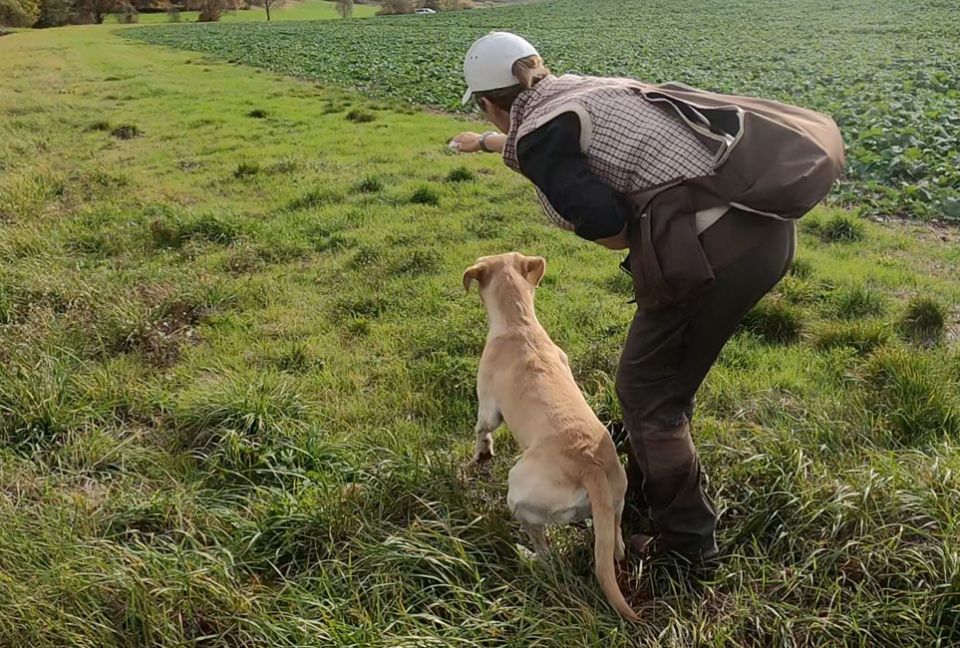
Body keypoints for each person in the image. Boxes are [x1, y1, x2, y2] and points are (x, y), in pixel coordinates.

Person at [450, 32, 844, 562]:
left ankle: (685, 551)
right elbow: (556, 143)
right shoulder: (573, 90)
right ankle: (637, 486)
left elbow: (609, 225)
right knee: (659, 385)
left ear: (490, 104)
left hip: (713, 253)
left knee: (648, 396)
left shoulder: (544, 137)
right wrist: (485, 143)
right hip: (763, 228)